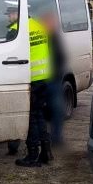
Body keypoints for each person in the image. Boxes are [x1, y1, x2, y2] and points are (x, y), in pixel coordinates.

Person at [9, 2, 53, 167]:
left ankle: (32, 155)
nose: (9, 17)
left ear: (17, 14)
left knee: (30, 119)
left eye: (11, 14)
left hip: (29, 80)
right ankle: (46, 152)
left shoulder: (15, 30)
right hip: (44, 78)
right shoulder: (38, 25)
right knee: (39, 115)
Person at [38, 9, 67, 147]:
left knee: (56, 109)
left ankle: (56, 137)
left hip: (53, 80)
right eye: (48, 21)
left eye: (51, 21)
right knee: (41, 111)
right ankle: (43, 138)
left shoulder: (54, 36)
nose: (50, 24)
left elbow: (61, 58)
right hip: (43, 80)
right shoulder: (41, 36)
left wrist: (57, 75)